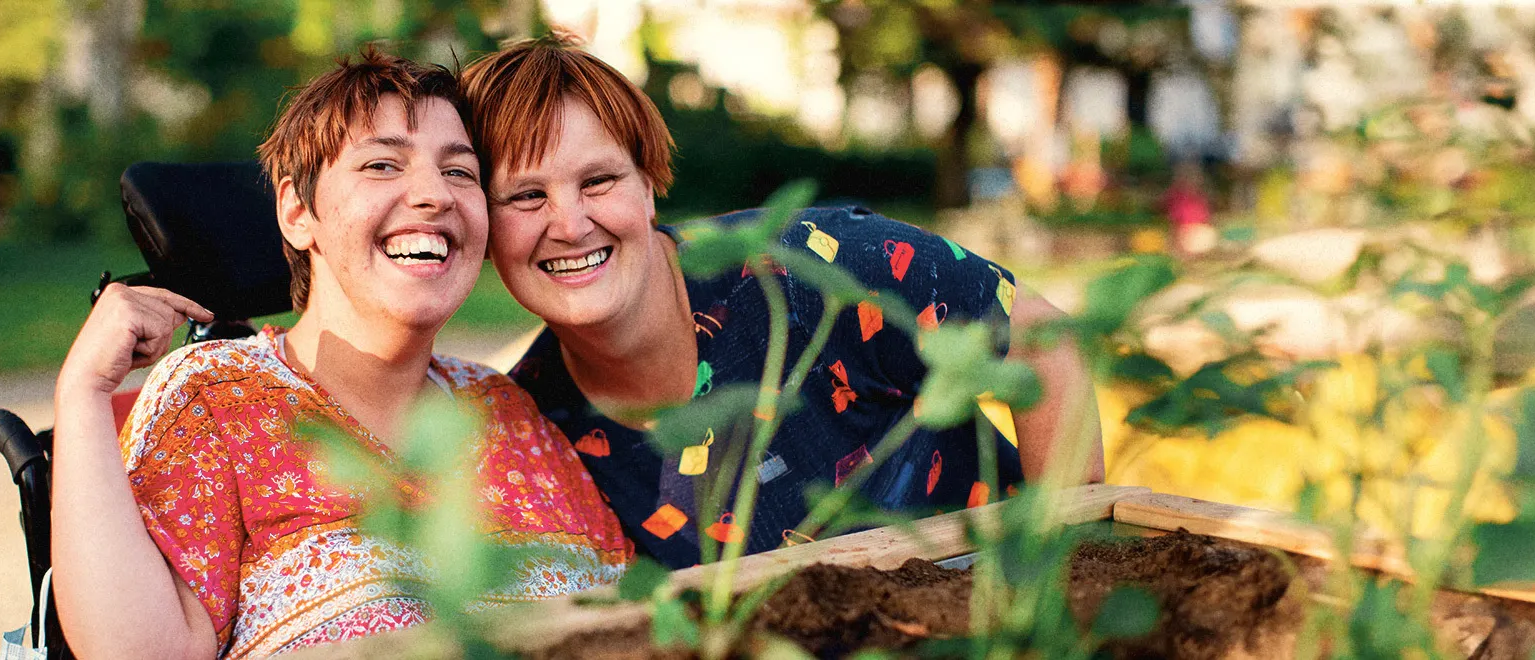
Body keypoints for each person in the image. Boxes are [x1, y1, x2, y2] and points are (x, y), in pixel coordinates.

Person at [49, 46, 632, 660]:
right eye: (383, 165)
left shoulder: (508, 411)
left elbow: (628, 625)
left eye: (460, 172)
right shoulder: (216, 399)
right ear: (298, 212)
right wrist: (83, 391)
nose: (434, 194)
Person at [458, 37, 1103, 569]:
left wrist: (1059, 575)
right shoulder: (533, 434)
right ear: (484, 228)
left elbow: (1040, 336)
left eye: (598, 181)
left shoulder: (810, 265)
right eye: (525, 196)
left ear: (649, 184)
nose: (570, 224)